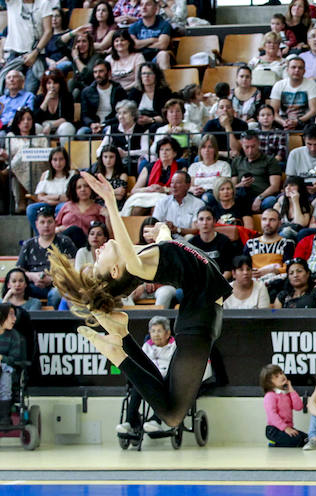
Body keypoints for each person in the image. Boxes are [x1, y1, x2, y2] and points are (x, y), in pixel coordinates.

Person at [48, 171, 231, 429]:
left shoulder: (148, 256)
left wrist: (164, 231)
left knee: (170, 404)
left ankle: (123, 342)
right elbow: (133, 254)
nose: (98, 251)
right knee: (171, 415)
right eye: (98, 261)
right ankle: (118, 354)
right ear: (115, 271)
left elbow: (170, 247)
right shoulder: (137, 267)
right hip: (199, 320)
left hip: (198, 317)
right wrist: (111, 202)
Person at [114, 315, 177, 434]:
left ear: (168, 333)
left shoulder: (174, 347)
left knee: (161, 386)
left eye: (159, 331)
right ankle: (130, 422)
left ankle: (155, 420)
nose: (156, 334)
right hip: (149, 379)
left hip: (167, 380)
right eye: (153, 331)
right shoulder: (146, 346)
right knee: (138, 385)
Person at [244, 208, 296, 291]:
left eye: (272, 220)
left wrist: (274, 270)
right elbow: (244, 266)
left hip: (276, 283)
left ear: (279, 223)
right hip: (253, 281)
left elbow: (290, 268)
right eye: (264, 219)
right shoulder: (250, 244)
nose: (267, 223)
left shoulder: (287, 244)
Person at [231, 130, 282, 211]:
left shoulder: (270, 160)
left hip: (263, 197)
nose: (250, 151)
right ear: (241, 144)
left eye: (253, 146)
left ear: (258, 143)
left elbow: (275, 186)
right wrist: (241, 184)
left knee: (271, 201)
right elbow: (232, 187)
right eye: (246, 147)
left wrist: (259, 198)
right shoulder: (237, 161)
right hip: (242, 197)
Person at [259, 363, 307, 447]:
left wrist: (291, 390)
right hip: (274, 430)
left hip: (289, 428)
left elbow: (298, 407)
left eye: (281, 373)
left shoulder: (287, 394)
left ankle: (280, 441)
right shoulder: (270, 396)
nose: (281, 376)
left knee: (307, 438)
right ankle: (274, 442)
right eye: (276, 376)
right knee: (298, 440)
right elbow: (272, 415)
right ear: (269, 383)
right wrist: (285, 428)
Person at [79, 61, 129, 140]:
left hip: (110, 124)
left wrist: (104, 124)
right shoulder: (87, 92)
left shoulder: (118, 90)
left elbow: (120, 114)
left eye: (101, 71)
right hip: (93, 125)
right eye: (95, 72)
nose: (97, 75)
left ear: (109, 73)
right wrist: (92, 124)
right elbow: (84, 115)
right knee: (81, 133)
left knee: (109, 131)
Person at [269, 56, 316, 130]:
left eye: (300, 68)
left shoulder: (311, 84)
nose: (297, 70)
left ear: (304, 71)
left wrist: (297, 121)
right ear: (287, 70)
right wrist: (284, 123)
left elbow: (313, 110)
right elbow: (273, 111)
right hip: (283, 121)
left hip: (304, 121)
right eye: (293, 67)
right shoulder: (279, 85)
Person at [55, 174, 107, 249]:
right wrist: (59, 229)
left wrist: (108, 217)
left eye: (86, 186)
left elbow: (106, 233)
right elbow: (54, 227)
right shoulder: (67, 206)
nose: (83, 189)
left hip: (86, 245)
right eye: (79, 187)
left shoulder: (99, 209)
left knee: (75, 230)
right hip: (65, 242)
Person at [188, 207, 236, 280]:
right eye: (201, 219)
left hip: (221, 282)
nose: (205, 223)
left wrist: (216, 284)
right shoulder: (191, 244)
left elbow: (228, 271)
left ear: (214, 222)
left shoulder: (224, 241)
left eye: (208, 219)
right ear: (196, 223)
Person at [34, 69, 76, 145]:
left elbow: (68, 118)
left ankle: (65, 154)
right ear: (45, 85)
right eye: (49, 83)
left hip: (60, 126)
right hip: (43, 127)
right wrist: (46, 101)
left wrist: (50, 125)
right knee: (35, 127)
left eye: (55, 83)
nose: (52, 86)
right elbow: (36, 119)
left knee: (68, 127)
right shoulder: (39, 98)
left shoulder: (67, 97)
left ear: (60, 84)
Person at [0, 304, 26, 425]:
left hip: (9, 371)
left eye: (14, 314)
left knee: (5, 371)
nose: (14, 319)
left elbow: (14, 359)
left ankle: (5, 416)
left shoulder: (14, 336)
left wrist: (1, 358)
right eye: (11, 314)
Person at [128, 0, 173, 69]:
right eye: (141, 5)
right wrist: (152, 40)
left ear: (156, 8)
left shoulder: (164, 25)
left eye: (148, 4)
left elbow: (162, 45)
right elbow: (133, 45)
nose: (144, 7)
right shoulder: (134, 26)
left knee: (163, 54)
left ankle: (164, 80)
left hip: (157, 57)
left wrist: (141, 45)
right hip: (139, 58)